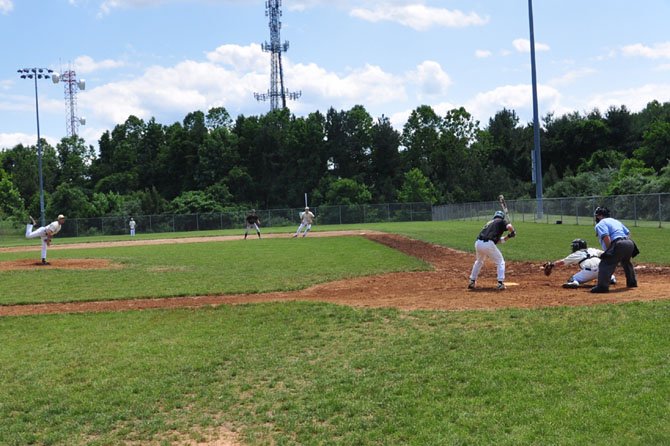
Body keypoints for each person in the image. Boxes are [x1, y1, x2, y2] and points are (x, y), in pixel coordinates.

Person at [590, 206, 638, 293]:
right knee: (626, 262)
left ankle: (602, 287)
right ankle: (632, 282)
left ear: (599, 216)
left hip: (618, 243)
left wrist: (609, 251)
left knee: (605, 263)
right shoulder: (615, 221)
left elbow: (606, 236)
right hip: (629, 243)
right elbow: (628, 232)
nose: (596, 217)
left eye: (597, 216)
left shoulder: (600, 224)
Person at [468, 210, 516, 290]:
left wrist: (509, 236)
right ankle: (500, 283)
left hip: (478, 243)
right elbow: (509, 227)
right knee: (500, 261)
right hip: (488, 243)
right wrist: (513, 231)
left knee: (479, 261)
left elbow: (497, 241)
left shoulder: (491, 223)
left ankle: (472, 281)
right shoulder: (501, 221)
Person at [546, 238, 616, 288]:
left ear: (576, 246)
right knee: (603, 270)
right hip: (602, 270)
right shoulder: (592, 249)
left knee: (572, 279)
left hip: (589, 272)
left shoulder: (576, 254)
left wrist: (552, 264)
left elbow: (562, 262)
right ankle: (611, 278)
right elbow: (605, 254)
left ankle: (574, 282)